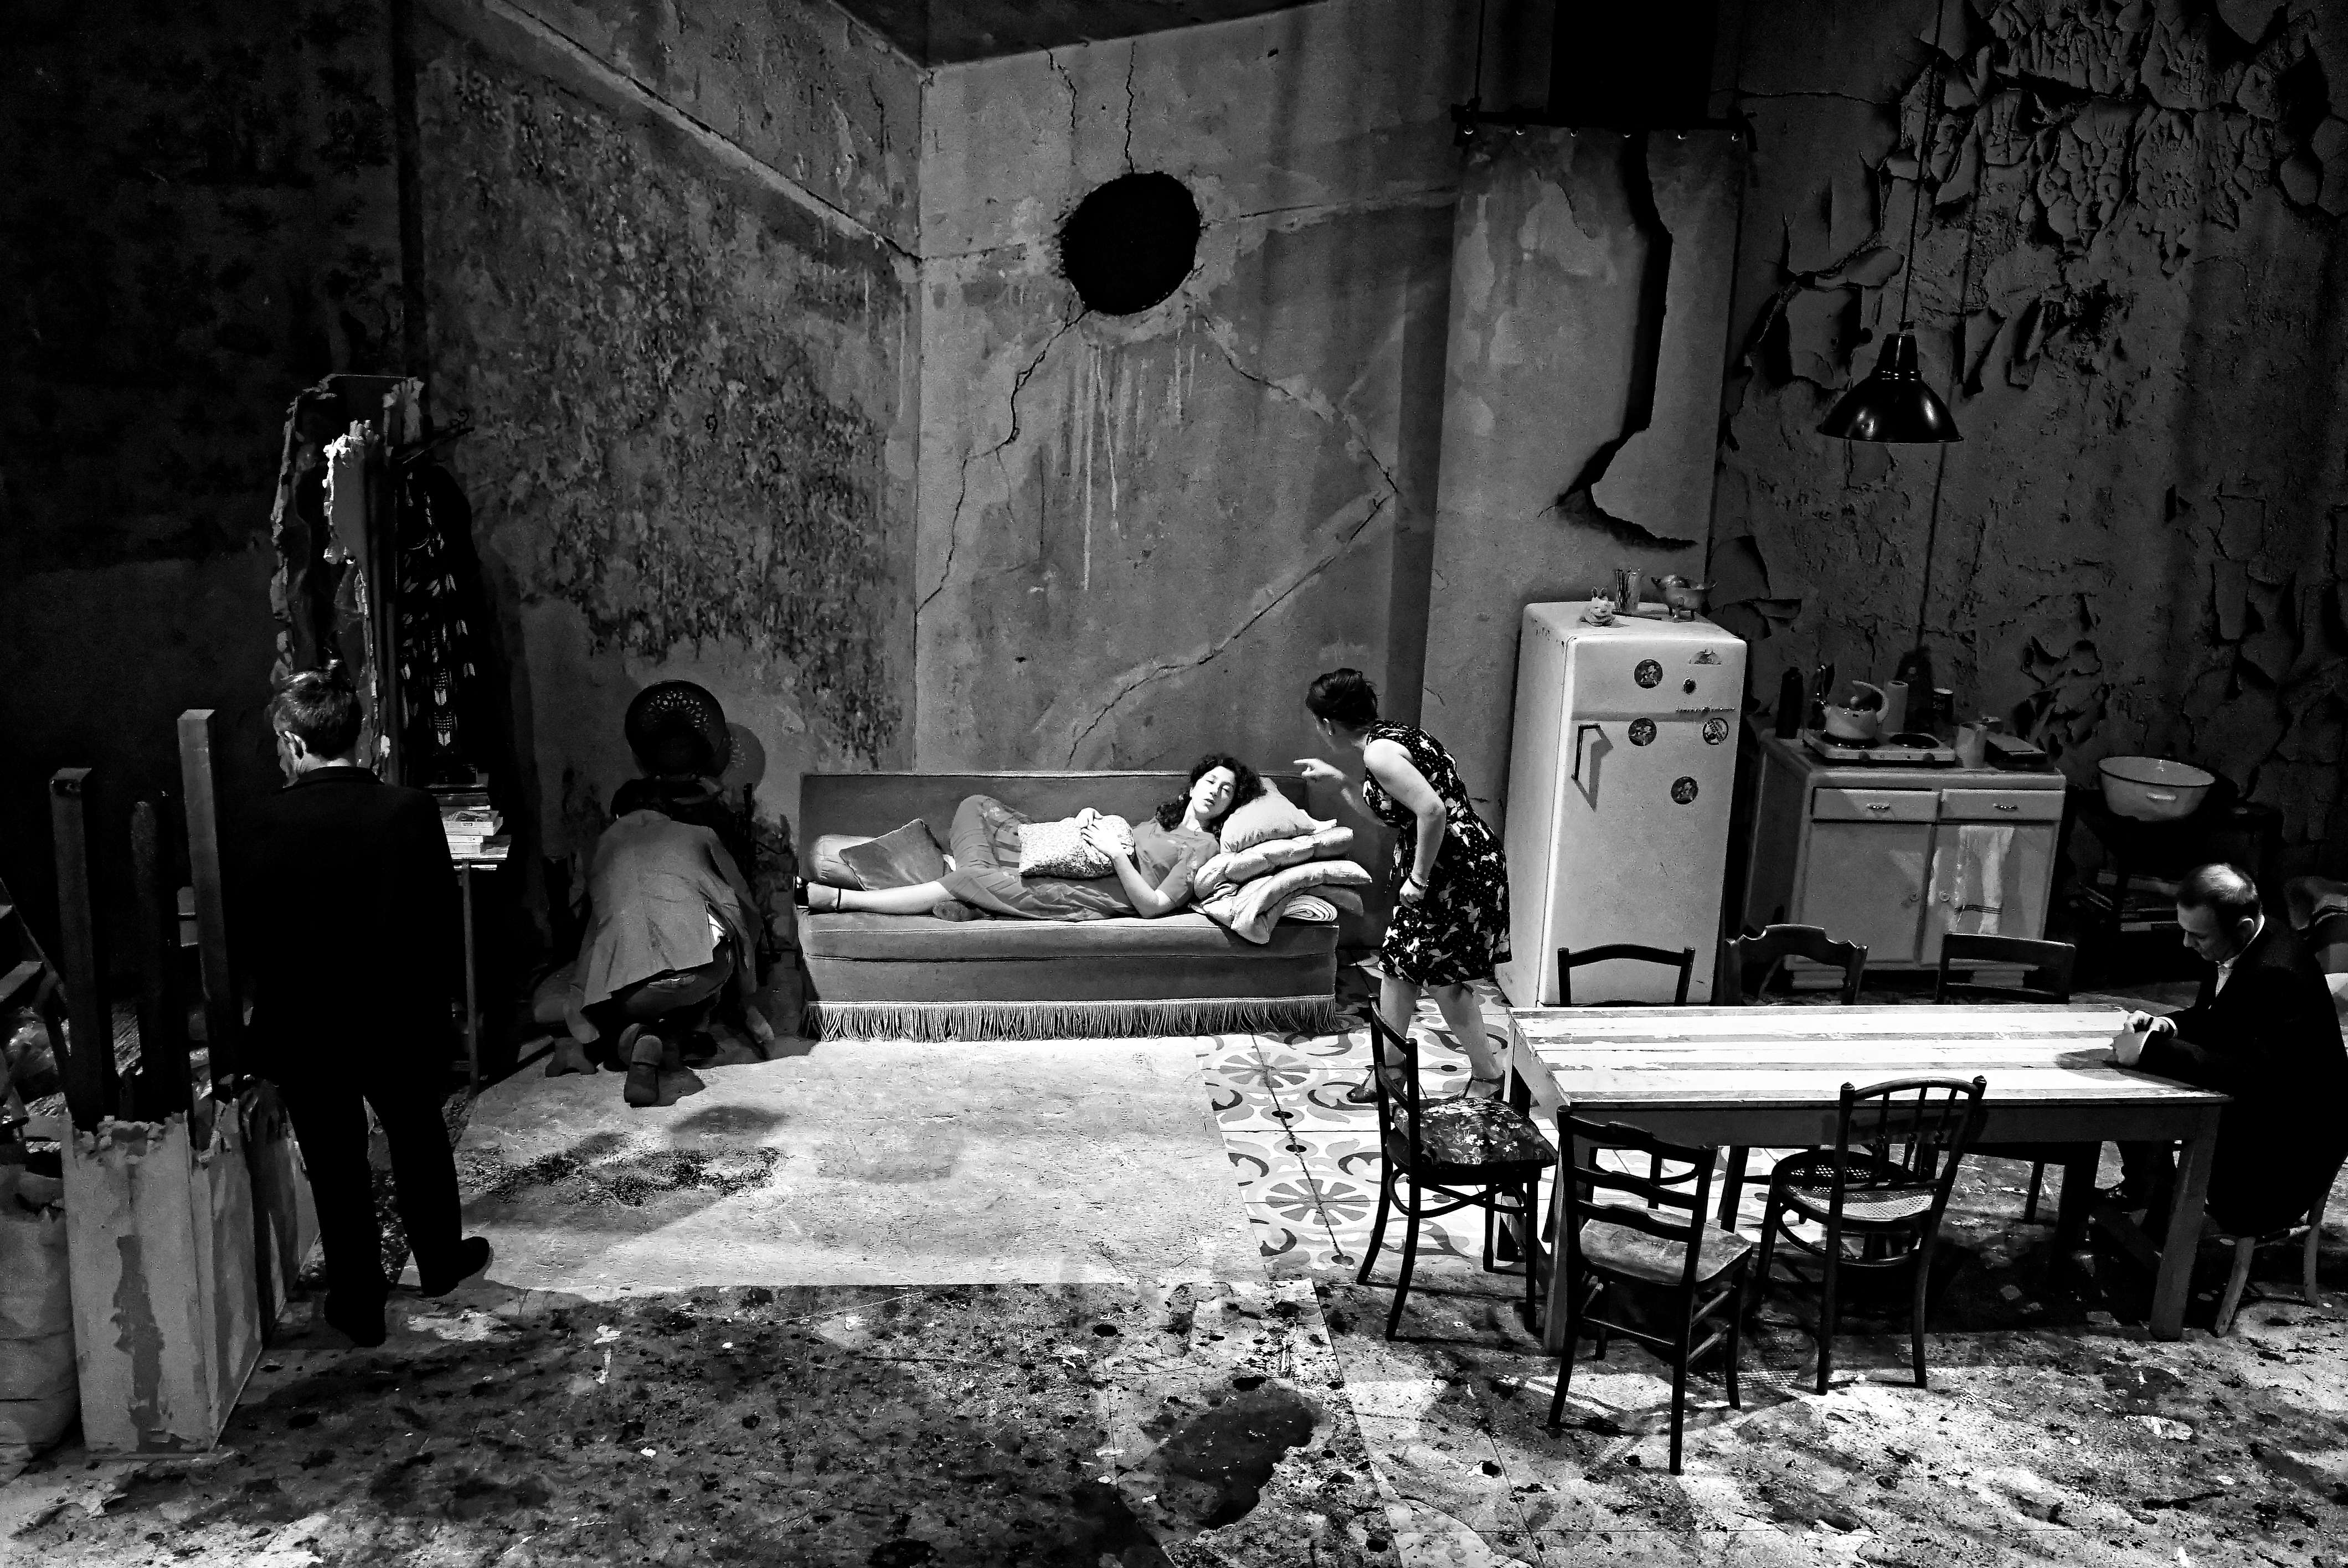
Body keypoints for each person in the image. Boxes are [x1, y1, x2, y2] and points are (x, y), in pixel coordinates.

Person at [235, 670, 490, 1347]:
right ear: (360, 734)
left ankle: (359, 1299)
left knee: (335, 1160)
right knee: (418, 1139)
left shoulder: (262, 820)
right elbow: (439, 922)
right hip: (396, 1015)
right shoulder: (409, 810)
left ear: (294, 741)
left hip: (306, 1021)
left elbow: (252, 934)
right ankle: (440, 1262)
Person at [1294, 669, 1512, 1099]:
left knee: (1442, 979)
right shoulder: (1393, 737)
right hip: (1455, 862)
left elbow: (1432, 811)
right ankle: (1391, 1071)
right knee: (1398, 967)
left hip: (1454, 872)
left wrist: (1419, 878)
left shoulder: (1381, 755)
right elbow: (1394, 815)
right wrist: (1342, 783)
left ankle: (1488, 1073)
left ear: (1328, 725)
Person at [2112, 863, 2348, 1234]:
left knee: (2149, 1099)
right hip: (2255, 1107)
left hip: (2284, 1150)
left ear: (2243, 927)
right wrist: (2165, 1025)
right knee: (2137, 1100)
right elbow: (2217, 1017)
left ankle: (2166, 1223)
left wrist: (2150, 1050)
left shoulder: (2278, 973)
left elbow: (2251, 1074)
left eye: (2198, 936)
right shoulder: (2240, 943)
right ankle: (2152, 1203)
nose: (2186, 944)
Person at [802, 755, 1263, 920]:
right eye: (1210, 781)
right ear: (1193, 785)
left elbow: (1154, 906)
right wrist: (1091, 821)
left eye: (1226, 790)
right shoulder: (1163, 822)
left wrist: (1114, 855)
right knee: (976, 805)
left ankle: (841, 901)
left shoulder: (1203, 848)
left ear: (1230, 806)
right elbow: (1118, 842)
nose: (1215, 791)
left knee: (968, 878)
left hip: (1088, 894)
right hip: (1067, 861)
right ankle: (975, 895)